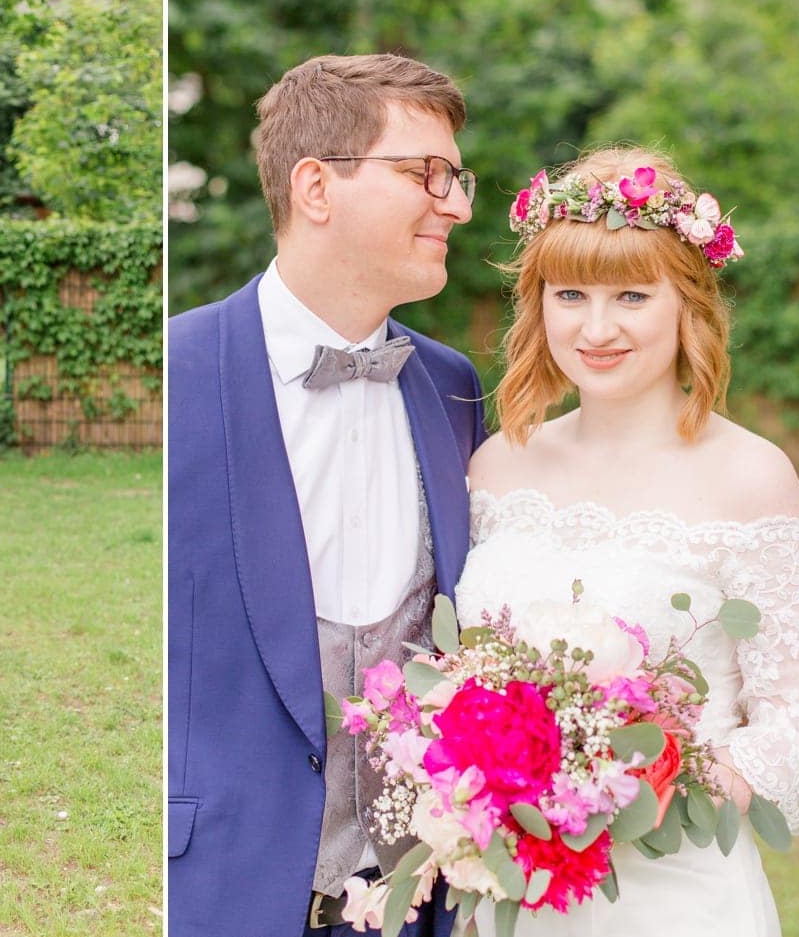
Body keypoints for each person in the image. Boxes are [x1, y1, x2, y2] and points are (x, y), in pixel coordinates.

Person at [456, 147, 799, 936]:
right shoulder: (498, 465)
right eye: (570, 293)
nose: (596, 327)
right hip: (513, 889)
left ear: (686, 304)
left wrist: (646, 796)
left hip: (679, 890)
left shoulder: (751, 476)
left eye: (632, 295)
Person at [168, 54, 487, 937]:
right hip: (215, 898)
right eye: (427, 174)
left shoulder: (456, 391)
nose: (457, 204)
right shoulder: (178, 374)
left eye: (456, 178)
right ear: (316, 186)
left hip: (421, 907)